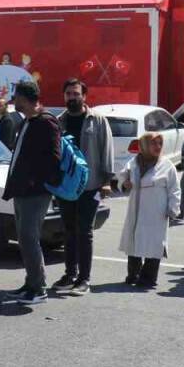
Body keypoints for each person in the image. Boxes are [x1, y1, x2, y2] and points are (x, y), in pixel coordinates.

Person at [51, 78, 114, 297]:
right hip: (68, 187)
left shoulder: (97, 120)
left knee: (84, 231)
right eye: (69, 93)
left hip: (90, 185)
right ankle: (70, 274)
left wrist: (106, 181)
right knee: (68, 231)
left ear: (84, 96)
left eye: (76, 93)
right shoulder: (59, 121)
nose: (72, 97)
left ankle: (84, 279)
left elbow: (107, 150)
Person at [1, 81, 62, 304]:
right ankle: (31, 283)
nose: (13, 100)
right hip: (22, 191)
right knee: (24, 239)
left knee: (29, 238)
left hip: (35, 192)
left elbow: (53, 159)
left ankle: (38, 289)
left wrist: (33, 180)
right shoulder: (27, 121)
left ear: (25, 98)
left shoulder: (46, 123)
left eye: (16, 96)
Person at [116, 131, 180, 290]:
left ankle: (148, 278)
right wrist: (124, 184)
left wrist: (173, 209)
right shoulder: (134, 162)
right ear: (144, 145)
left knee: (154, 245)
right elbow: (122, 177)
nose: (158, 147)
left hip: (156, 212)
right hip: (136, 210)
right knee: (135, 241)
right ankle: (134, 274)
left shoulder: (167, 165)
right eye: (154, 143)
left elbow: (175, 190)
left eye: (160, 143)